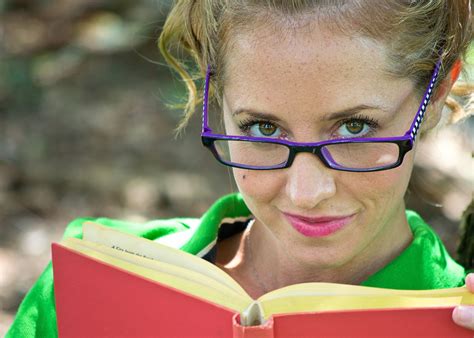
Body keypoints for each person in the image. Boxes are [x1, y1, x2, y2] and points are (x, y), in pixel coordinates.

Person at [6, 0, 474, 336]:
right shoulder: (87, 287)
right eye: (263, 129)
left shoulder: (458, 318)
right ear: (216, 91)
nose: (307, 193)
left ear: (434, 94)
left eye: (354, 127)